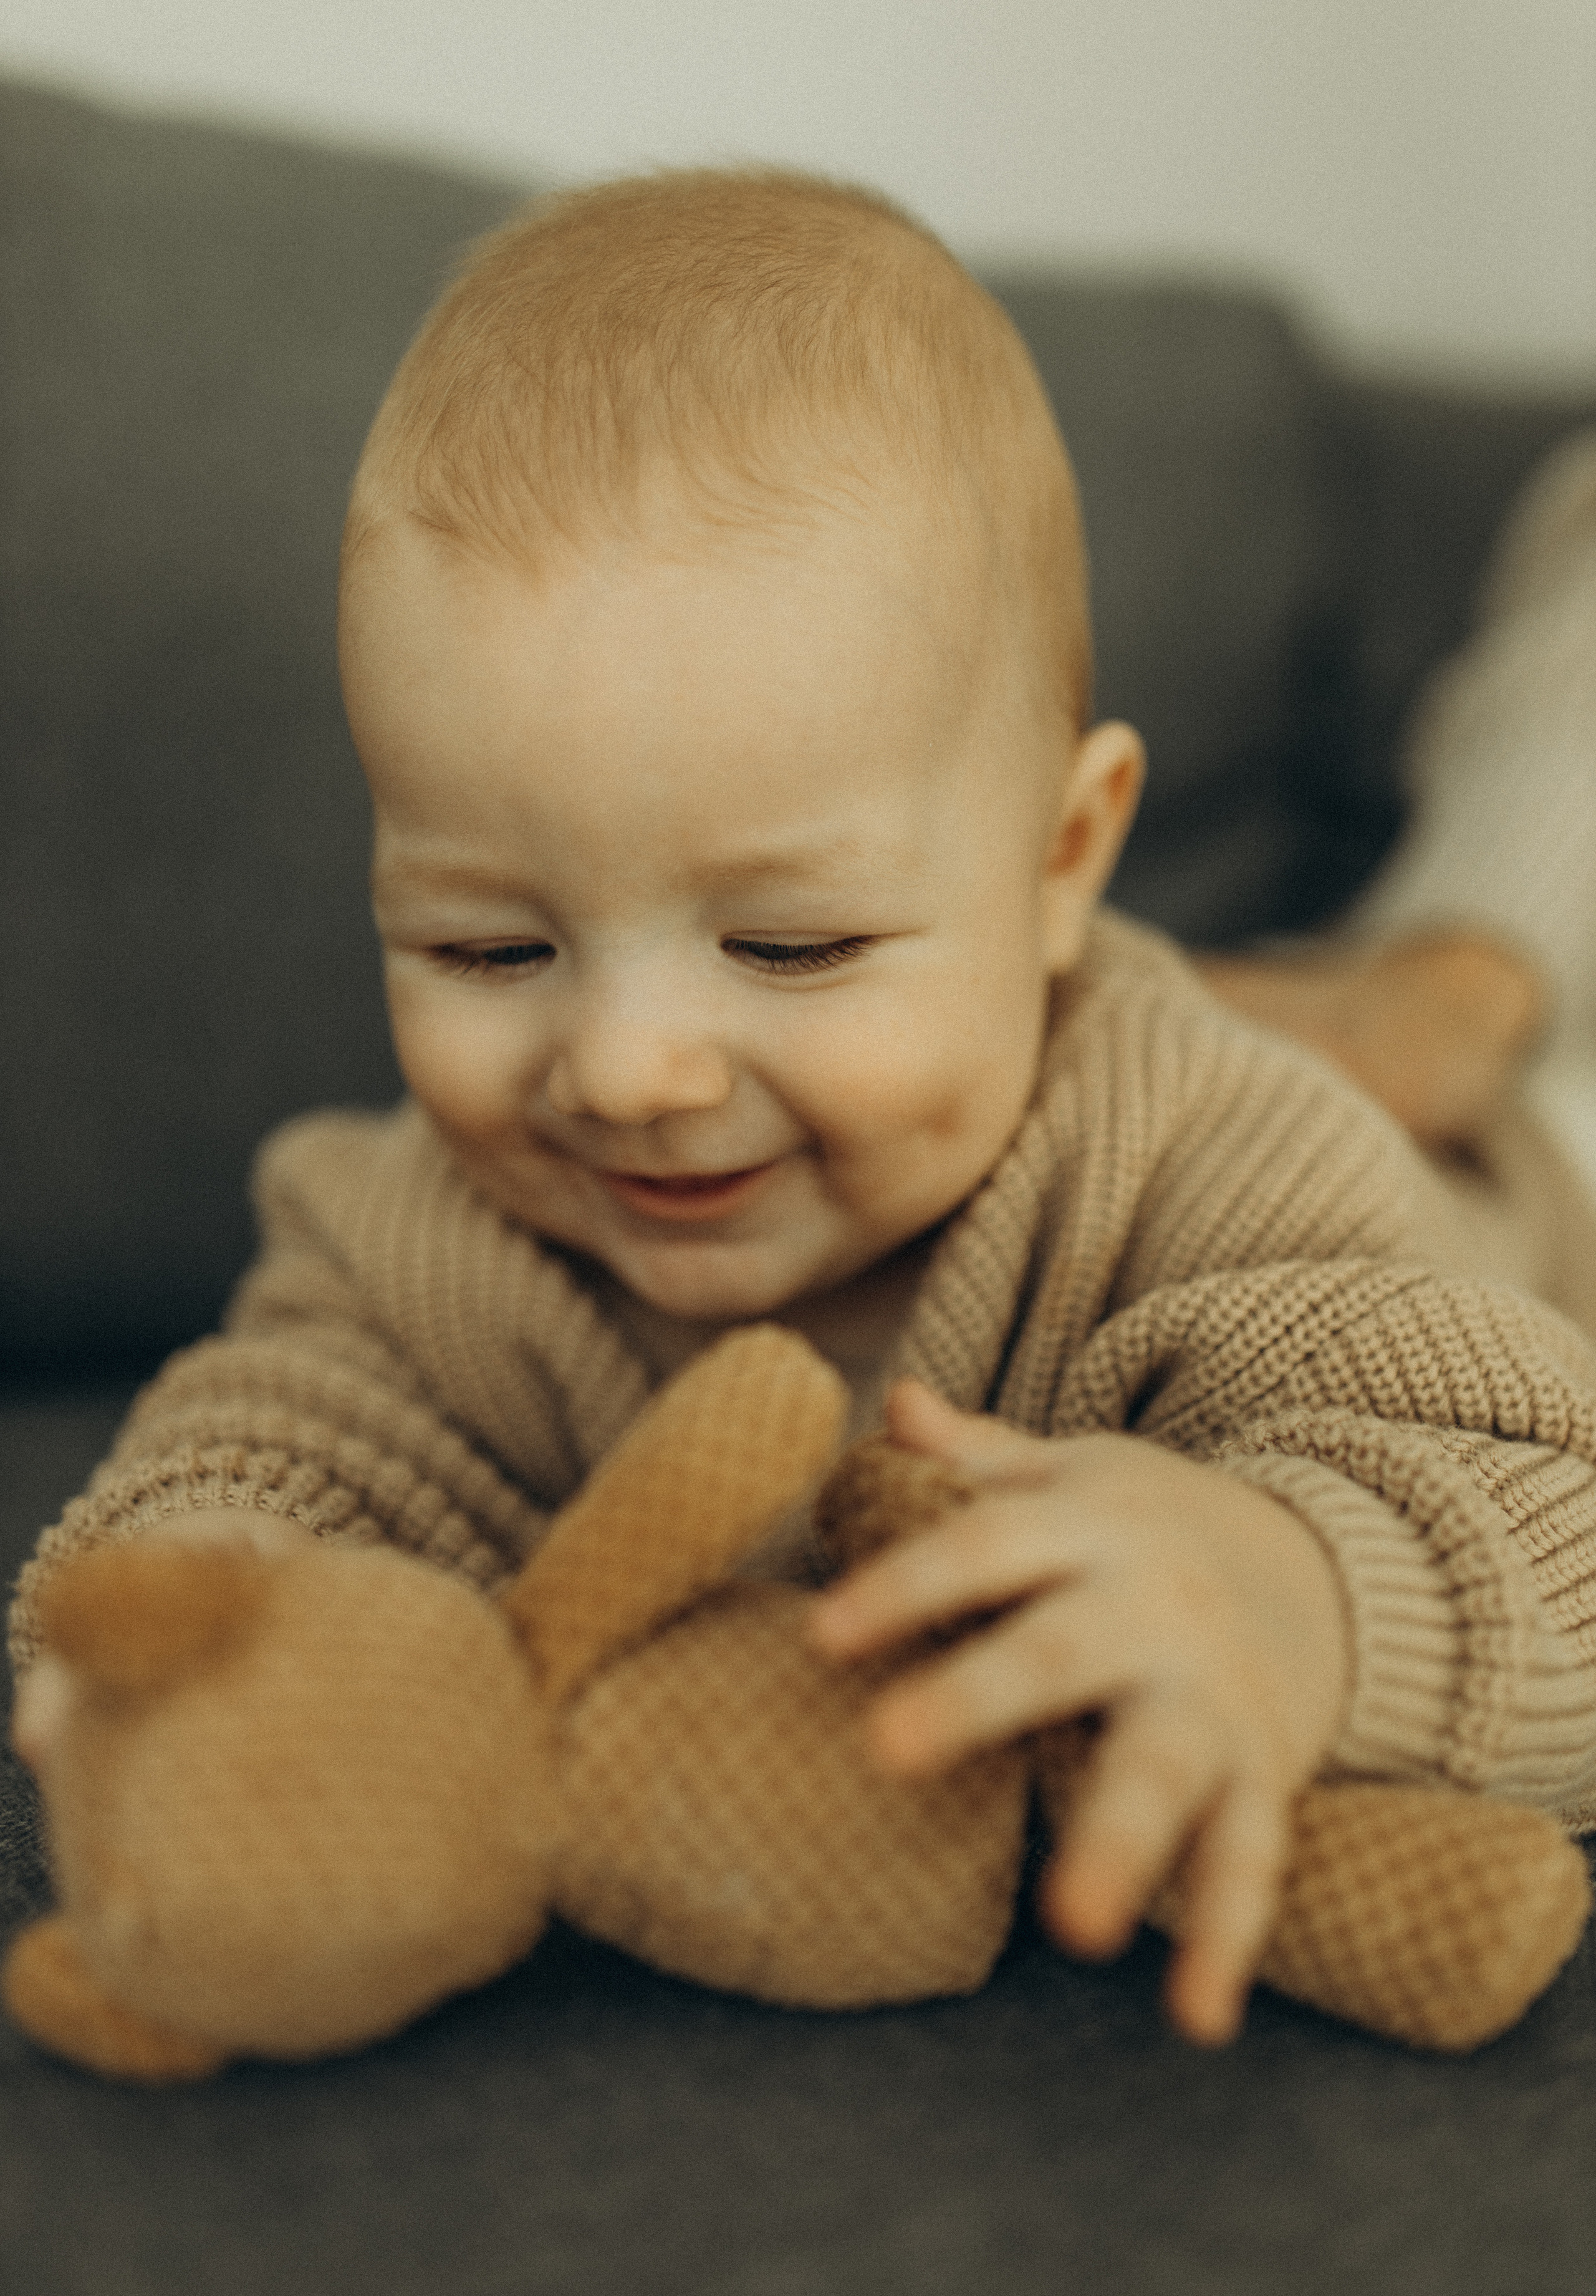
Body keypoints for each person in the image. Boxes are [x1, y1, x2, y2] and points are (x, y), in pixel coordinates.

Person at [12, 172, 1596, 2047]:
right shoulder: (429, 1227)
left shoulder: (1205, 1153)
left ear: (1069, 855)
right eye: (491, 949)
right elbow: (271, 1442)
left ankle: (1469, 972)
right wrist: (210, 1624)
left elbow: (1553, 1514)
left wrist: (1303, 1592)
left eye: (789, 943)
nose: (625, 1072)